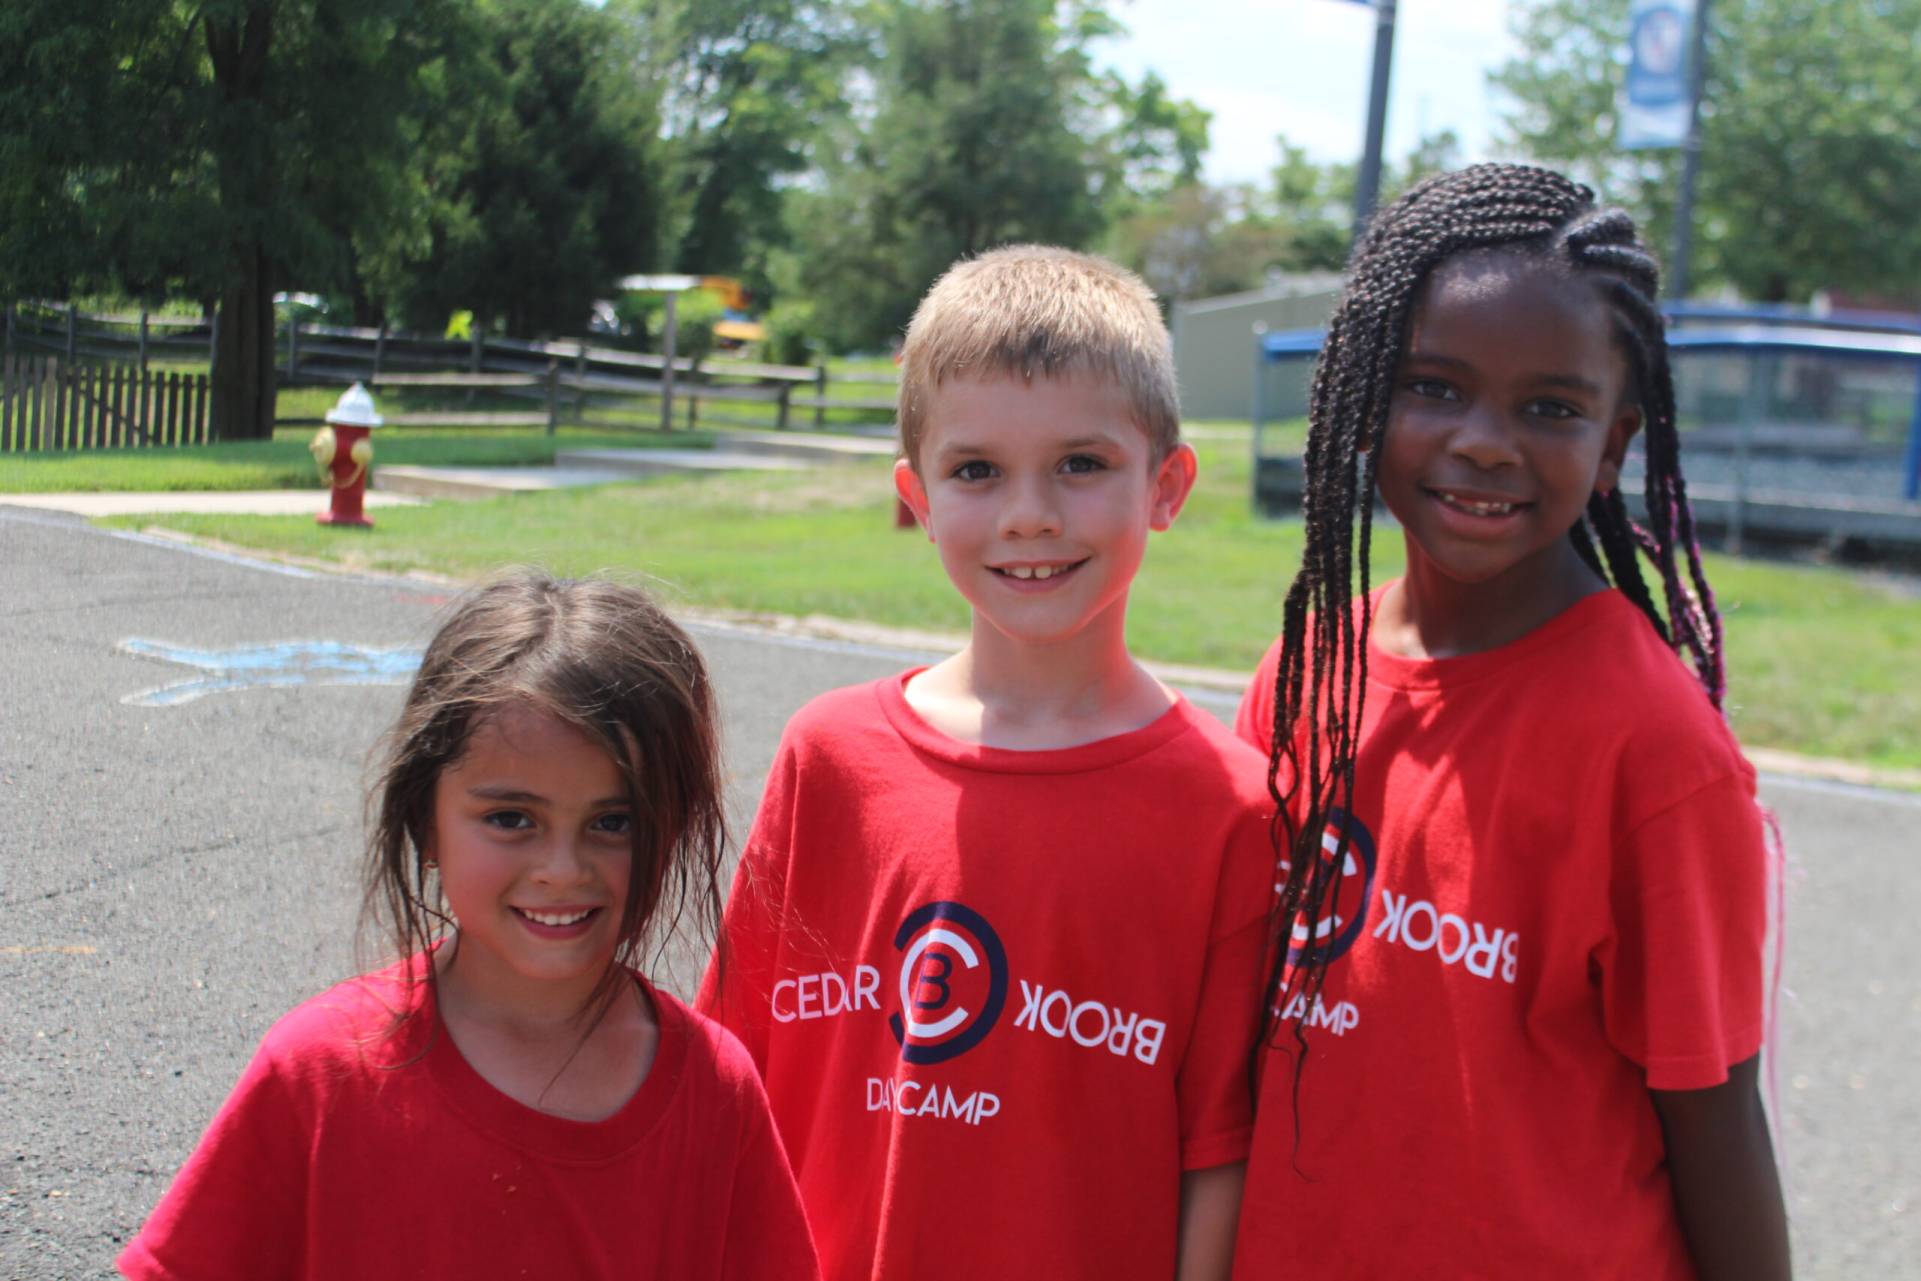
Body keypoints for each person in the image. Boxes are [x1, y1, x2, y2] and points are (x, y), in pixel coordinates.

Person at [1231, 164, 1789, 1280]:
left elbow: (1715, 1115)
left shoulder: (1654, 749)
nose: (1485, 441)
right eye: (1433, 386)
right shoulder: (1308, 670)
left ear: (1616, 442)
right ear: (1360, 390)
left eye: (1550, 408)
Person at [699, 245, 1272, 1281]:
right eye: (976, 471)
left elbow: (1215, 1156)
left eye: (1081, 464)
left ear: (1167, 485)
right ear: (915, 496)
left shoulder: (1229, 808)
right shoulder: (829, 757)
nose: (1029, 515)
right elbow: (731, 1073)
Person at [120, 573, 820, 1281]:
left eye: (614, 821)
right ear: (426, 819)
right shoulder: (321, 1070)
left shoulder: (716, 1089)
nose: (561, 867)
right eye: (511, 818)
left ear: (669, 828)